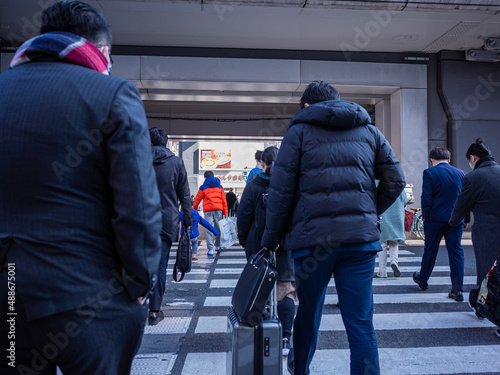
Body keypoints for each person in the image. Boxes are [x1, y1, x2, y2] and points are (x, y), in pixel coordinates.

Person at [0, 1, 162, 374]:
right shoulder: (112, 95)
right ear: (102, 49)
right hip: (87, 296)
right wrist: (140, 280)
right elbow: (137, 205)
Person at [261, 81, 405, 375]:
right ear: (339, 102)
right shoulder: (369, 131)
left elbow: (281, 190)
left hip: (312, 243)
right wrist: (367, 212)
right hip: (359, 243)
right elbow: (396, 181)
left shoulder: (298, 132)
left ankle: (299, 369)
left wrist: (271, 237)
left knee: (309, 315)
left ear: (306, 106)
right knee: (361, 322)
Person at [237, 146, 296, 356]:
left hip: (258, 247)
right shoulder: (291, 184)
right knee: (286, 290)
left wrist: (247, 243)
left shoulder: (253, 185)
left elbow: (243, 218)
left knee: (258, 291)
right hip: (286, 248)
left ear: (262, 163)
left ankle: (260, 338)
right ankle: (286, 338)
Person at [148, 127, 192, 325]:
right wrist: (188, 223)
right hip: (166, 222)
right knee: (160, 266)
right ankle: (154, 310)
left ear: (149, 142)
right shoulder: (176, 162)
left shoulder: (138, 161)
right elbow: (185, 197)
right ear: (166, 143)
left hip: (140, 222)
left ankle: (136, 305)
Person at [413, 147, 468, 302]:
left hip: (435, 218)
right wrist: (466, 219)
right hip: (456, 219)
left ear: (432, 159)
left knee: (430, 249)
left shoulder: (429, 173)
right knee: (456, 252)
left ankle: (423, 280)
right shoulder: (461, 173)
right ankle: (457, 290)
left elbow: (426, 197)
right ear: (449, 159)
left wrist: (426, 216)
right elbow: (465, 198)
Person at [449, 138, 500, 292]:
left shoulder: (473, 177)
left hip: (486, 232)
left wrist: (453, 222)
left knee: (486, 270)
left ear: (473, 157)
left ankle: (484, 303)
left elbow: (462, 205)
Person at [193, 171, 228, 256]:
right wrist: (225, 212)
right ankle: (218, 246)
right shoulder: (220, 187)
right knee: (218, 228)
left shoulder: (203, 187)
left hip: (208, 210)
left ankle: (210, 249)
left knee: (209, 228)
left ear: (205, 178)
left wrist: (194, 210)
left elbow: (197, 200)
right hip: (218, 210)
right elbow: (224, 200)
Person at [377, 187, 407, 278]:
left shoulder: (377, 184)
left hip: (383, 217)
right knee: (394, 242)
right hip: (397, 216)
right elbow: (405, 200)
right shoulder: (399, 185)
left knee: (382, 243)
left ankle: (382, 272)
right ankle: (394, 262)